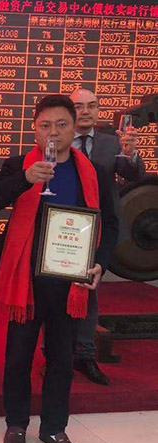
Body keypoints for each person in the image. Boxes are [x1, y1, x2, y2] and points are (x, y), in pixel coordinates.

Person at [0, 94, 119, 443]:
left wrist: (100, 264)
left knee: (61, 359)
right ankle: (16, 424)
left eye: (61, 125)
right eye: (45, 126)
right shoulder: (18, 165)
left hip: (70, 281)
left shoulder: (93, 171)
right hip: (25, 280)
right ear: (34, 129)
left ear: (75, 129)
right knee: (18, 356)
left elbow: (111, 224)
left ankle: (55, 428)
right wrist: (24, 180)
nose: (53, 133)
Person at [67, 87, 146, 385]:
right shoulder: (58, 140)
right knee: (55, 293)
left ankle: (85, 355)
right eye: (79, 106)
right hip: (63, 228)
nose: (86, 111)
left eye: (92, 106)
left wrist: (131, 154)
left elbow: (134, 174)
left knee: (90, 291)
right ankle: (55, 355)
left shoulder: (112, 142)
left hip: (99, 228)